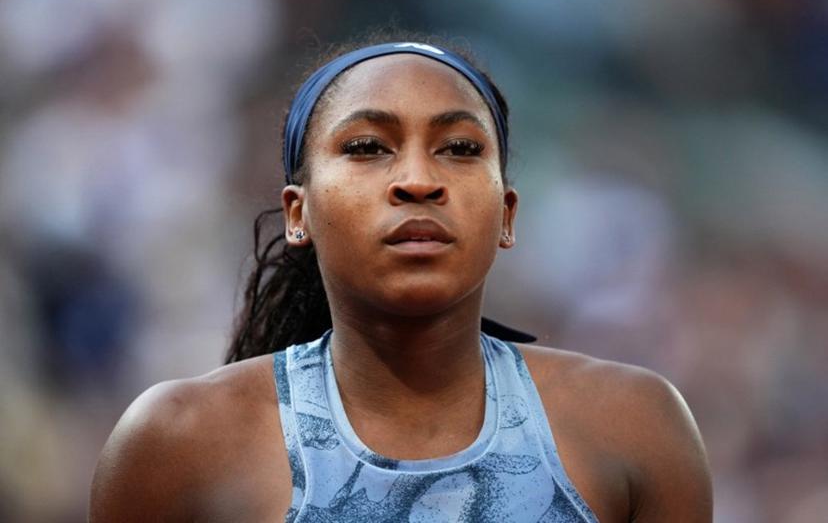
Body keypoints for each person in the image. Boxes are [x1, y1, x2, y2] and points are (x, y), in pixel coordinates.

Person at [90, 36, 712, 522]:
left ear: (507, 213)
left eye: (460, 149)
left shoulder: (637, 426)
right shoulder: (176, 442)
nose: (418, 179)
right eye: (366, 147)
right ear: (297, 213)